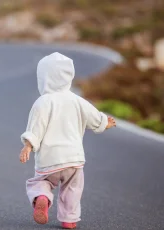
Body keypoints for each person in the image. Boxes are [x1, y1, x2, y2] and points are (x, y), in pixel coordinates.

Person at [19, 52, 116, 229]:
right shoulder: (77, 101)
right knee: (73, 188)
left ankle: (43, 197)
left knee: (42, 182)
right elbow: (95, 118)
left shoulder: (42, 102)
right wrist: (106, 123)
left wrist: (28, 145)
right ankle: (69, 220)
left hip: (50, 159)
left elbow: (35, 128)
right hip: (74, 158)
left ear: (44, 78)